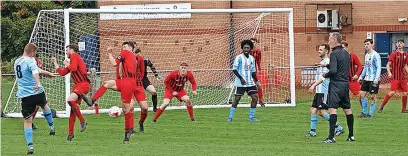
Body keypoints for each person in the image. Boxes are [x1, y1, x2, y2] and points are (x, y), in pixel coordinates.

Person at [84, 42, 147, 142]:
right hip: (127, 82)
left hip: (127, 83)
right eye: (122, 47)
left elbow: (114, 63)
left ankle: (127, 133)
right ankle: (92, 100)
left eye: (125, 47)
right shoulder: (133, 57)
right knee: (107, 83)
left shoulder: (126, 53)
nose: (123, 49)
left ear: (130, 48)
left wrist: (109, 53)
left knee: (126, 109)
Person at [15, 43, 56, 154]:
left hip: (25, 95)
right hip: (37, 91)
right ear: (32, 52)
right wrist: (38, 83)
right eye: (35, 53)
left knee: (27, 121)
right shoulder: (30, 60)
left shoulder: (17, 61)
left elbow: (37, 70)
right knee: (44, 105)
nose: (35, 55)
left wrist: (48, 73)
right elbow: (34, 71)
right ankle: (52, 127)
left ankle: (30, 146)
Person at [51, 44, 90, 141]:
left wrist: (67, 63)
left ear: (72, 50)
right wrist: (55, 63)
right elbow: (62, 73)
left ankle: (82, 120)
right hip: (78, 86)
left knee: (69, 100)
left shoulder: (75, 56)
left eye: (67, 50)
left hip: (83, 84)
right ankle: (70, 134)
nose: (66, 52)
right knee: (72, 111)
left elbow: (73, 68)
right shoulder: (73, 61)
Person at [322, 32, 355, 143]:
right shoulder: (346, 53)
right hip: (345, 85)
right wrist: (326, 65)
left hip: (336, 84)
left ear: (335, 40)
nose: (328, 41)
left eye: (330, 39)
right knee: (347, 110)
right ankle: (351, 136)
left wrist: (326, 74)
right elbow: (341, 66)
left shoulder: (333, 53)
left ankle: (331, 137)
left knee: (332, 110)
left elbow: (334, 71)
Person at [306, 44, 344, 137]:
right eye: (318, 49)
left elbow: (323, 78)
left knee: (322, 112)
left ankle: (338, 127)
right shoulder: (322, 62)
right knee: (313, 110)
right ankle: (312, 132)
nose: (318, 51)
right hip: (319, 91)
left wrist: (313, 85)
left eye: (320, 49)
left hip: (324, 91)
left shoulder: (328, 62)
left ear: (326, 51)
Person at [227, 40, 261, 122]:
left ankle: (251, 117)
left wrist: (257, 81)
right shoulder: (239, 57)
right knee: (237, 99)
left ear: (250, 49)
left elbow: (253, 72)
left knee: (255, 98)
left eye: (248, 48)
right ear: (242, 48)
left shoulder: (252, 59)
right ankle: (230, 117)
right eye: (245, 47)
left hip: (250, 82)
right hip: (240, 83)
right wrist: (241, 78)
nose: (246, 49)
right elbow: (234, 69)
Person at [379, 39, 408, 113]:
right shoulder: (394, 54)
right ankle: (381, 106)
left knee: (405, 93)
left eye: (401, 43)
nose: (399, 44)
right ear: (396, 45)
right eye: (398, 43)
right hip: (395, 77)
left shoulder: (405, 54)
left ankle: (403, 110)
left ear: (403, 45)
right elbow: (388, 64)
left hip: (402, 77)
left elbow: (405, 65)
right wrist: (389, 72)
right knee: (392, 92)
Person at [133, 46, 163, 112]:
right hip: (134, 80)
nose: (139, 56)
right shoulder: (132, 61)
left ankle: (155, 108)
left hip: (144, 80)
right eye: (136, 54)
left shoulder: (146, 60)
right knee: (131, 96)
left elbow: (152, 66)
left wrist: (156, 75)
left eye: (139, 54)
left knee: (154, 92)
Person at [358, 39, 382, 118]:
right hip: (367, 79)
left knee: (372, 96)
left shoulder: (376, 55)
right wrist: (361, 76)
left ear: (372, 45)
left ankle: (370, 114)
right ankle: (364, 113)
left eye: (368, 44)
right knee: (362, 95)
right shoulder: (366, 55)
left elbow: (379, 67)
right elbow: (365, 67)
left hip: (374, 79)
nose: (366, 46)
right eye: (365, 44)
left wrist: (376, 78)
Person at [342, 41, 363, 107]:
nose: (341, 49)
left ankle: (364, 111)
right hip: (343, 81)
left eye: (343, 47)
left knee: (360, 96)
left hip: (352, 80)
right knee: (341, 97)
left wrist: (357, 74)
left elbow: (360, 66)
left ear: (347, 47)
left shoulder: (352, 56)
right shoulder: (338, 57)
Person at [250, 38, 265, 107]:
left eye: (254, 42)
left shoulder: (258, 51)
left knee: (259, 85)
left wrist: (259, 69)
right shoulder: (246, 51)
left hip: (254, 72)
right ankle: (235, 100)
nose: (253, 43)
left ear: (256, 43)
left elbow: (258, 61)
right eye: (251, 42)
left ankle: (261, 100)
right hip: (245, 73)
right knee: (241, 87)